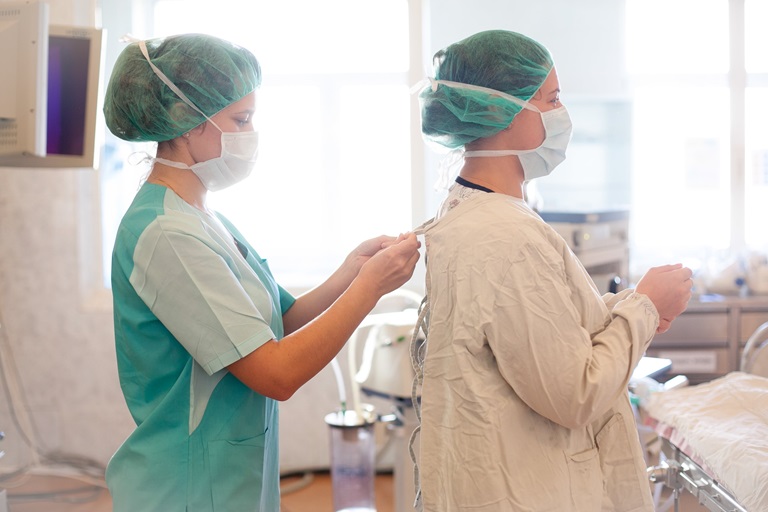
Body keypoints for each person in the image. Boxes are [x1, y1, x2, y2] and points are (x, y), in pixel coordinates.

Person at [102, 33, 420, 512]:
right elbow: (277, 372)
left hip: (230, 481)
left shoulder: (202, 217)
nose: (251, 134)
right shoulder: (165, 234)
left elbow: (276, 323)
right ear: (189, 122)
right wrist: (373, 288)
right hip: (185, 488)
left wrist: (352, 273)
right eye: (241, 119)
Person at [411, 30, 693, 511]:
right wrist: (643, 308)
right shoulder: (505, 237)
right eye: (552, 98)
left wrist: (629, 305)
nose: (562, 114)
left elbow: (545, 327)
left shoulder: (479, 214)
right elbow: (574, 393)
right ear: (503, 112)